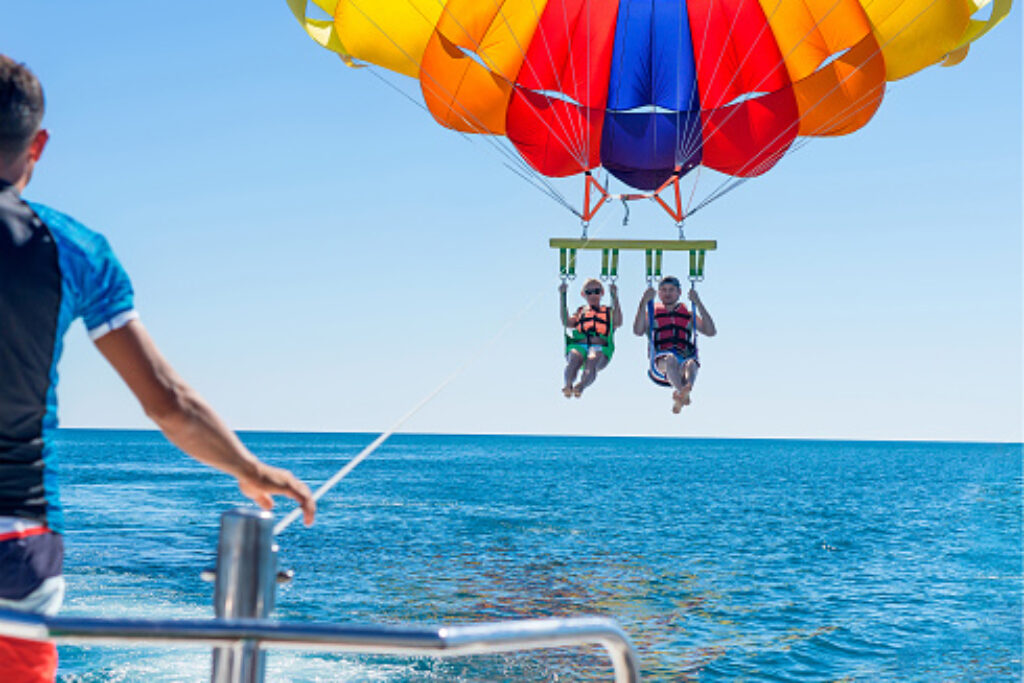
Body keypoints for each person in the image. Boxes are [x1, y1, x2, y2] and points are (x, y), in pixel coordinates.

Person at [0, 55, 316, 681]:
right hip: (19, 545)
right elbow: (166, 402)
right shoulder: (75, 250)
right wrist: (251, 469)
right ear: (38, 144)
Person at [633, 276, 716, 413]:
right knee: (671, 358)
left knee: (692, 364)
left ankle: (685, 391)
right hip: (661, 362)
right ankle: (681, 391)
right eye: (664, 290)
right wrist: (644, 302)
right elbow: (637, 331)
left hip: (683, 358)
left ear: (679, 293)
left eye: (671, 290)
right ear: (659, 294)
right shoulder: (652, 314)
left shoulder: (688, 315)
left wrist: (698, 302)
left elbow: (710, 331)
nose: (667, 293)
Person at [559, 278, 623, 398]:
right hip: (579, 345)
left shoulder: (609, 312)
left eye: (596, 291)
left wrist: (615, 297)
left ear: (602, 293)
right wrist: (563, 296)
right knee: (574, 358)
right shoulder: (580, 311)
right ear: (583, 294)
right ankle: (568, 385)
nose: (593, 295)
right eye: (589, 292)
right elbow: (567, 322)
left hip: (599, 347)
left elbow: (618, 322)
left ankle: (581, 386)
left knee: (592, 360)